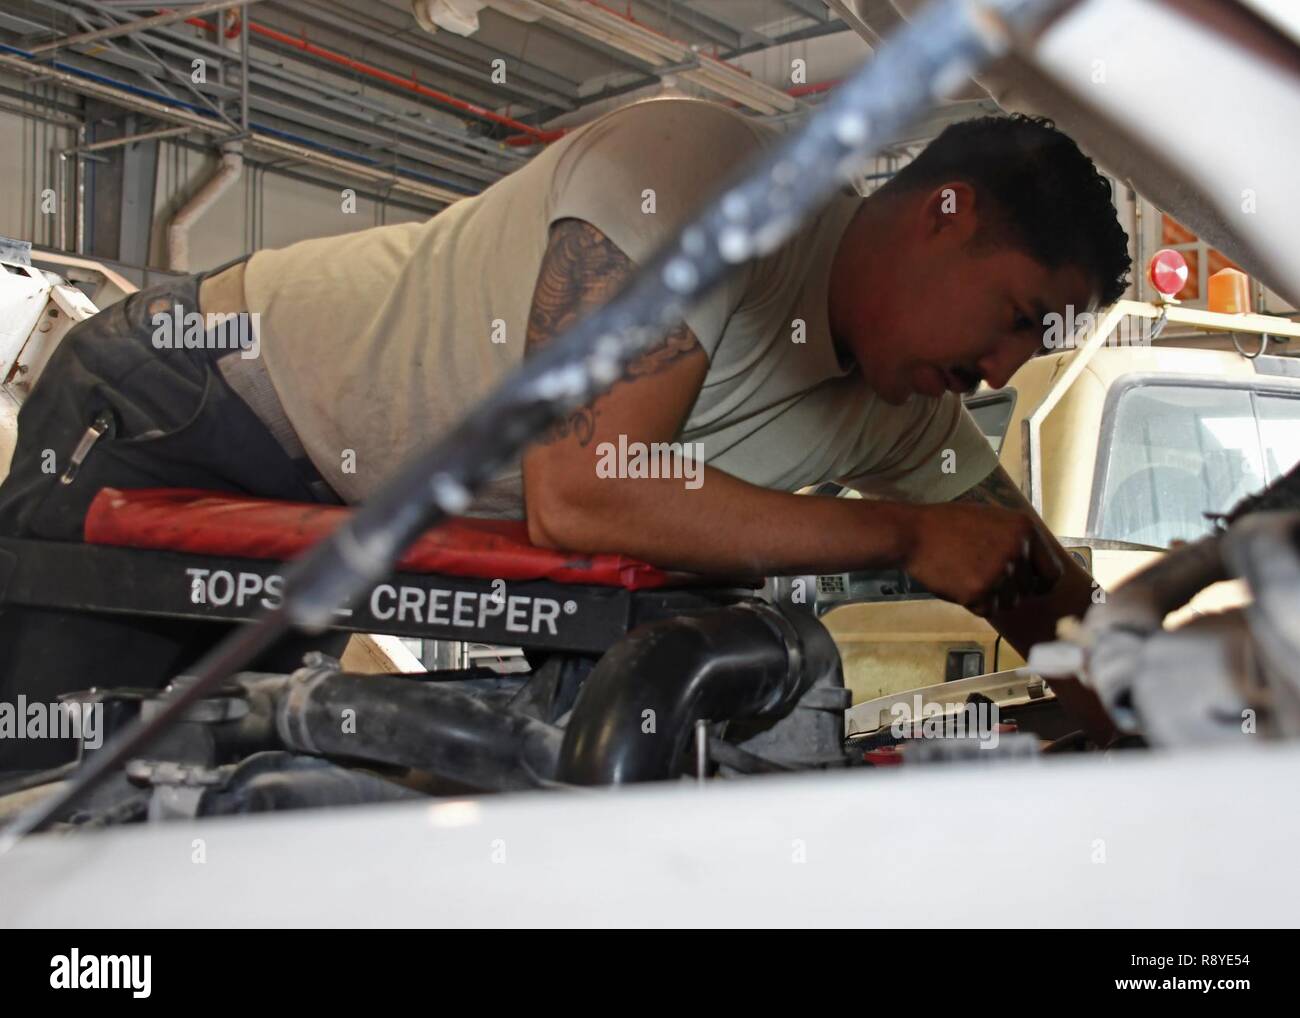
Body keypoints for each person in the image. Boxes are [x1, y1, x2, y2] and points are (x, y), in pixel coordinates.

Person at [0, 98, 1129, 768]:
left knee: (209, 794)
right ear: (947, 214)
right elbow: (581, 488)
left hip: (330, 509)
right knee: (53, 805)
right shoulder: (711, 189)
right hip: (183, 402)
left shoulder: (900, 413)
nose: (1000, 369)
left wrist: (1156, 724)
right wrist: (898, 535)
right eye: (1017, 317)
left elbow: (1027, 584)